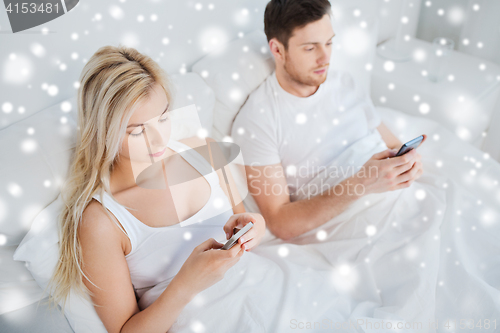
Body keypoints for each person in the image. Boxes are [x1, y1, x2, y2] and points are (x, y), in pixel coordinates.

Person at [44, 45, 267, 333]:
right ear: (103, 132)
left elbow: (245, 222)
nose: (159, 139)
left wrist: (256, 226)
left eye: (163, 117)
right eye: (137, 131)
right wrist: (186, 284)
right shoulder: (102, 221)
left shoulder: (205, 150)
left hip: (266, 288)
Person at [231, 0, 427, 241]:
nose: (325, 58)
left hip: (402, 199)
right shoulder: (258, 121)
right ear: (278, 49)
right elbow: (280, 222)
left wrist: (408, 164)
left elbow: (392, 144)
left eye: (329, 42)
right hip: (354, 225)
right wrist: (361, 183)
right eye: (310, 48)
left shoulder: (345, 82)